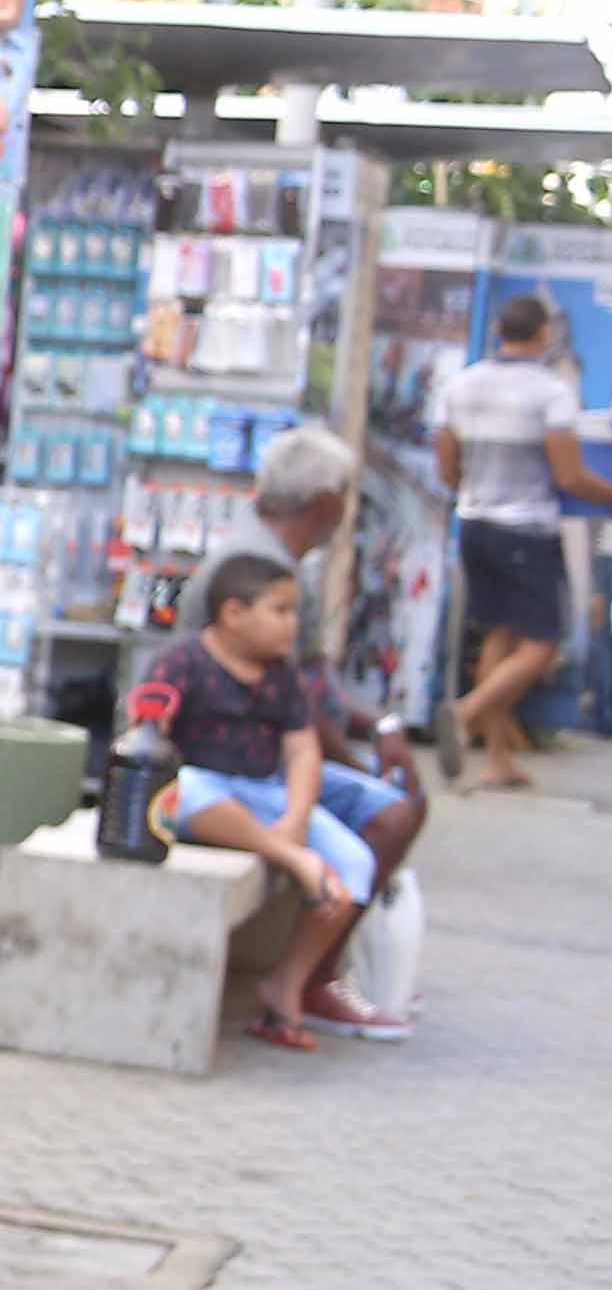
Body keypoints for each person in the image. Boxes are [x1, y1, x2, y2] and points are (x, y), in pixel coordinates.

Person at [199, 423, 420, 1037]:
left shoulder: (280, 562)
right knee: (393, 813)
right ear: (326, 503)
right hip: (237, 768)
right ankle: (313, 979)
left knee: (392, 803)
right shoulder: (254, 570)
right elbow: (296, 709)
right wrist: (353, 762)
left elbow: (313, 686)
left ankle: (316, 973)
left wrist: (382, 725)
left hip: (274, 761)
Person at [146, 551, 408, 1052]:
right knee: (190, 787)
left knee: (353, 865)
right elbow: (150, 732)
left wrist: (296, 817)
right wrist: (287, 849)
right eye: (281, 610)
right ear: (233, 614)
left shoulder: (282, 677)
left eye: (294, 610)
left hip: (264, 795)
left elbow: (302, 750)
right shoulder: (183, 661)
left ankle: (286, 985)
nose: (293, 624)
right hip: (202, 793)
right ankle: (290, 858)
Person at [431, 292, 612, 787]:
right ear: (544, 335)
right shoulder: (550, 392)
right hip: (527, 528)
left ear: (498, 333)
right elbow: (571, 475)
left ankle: (496, 761)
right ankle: (466, 714)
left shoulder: (461, 385)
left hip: (475, 522)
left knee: (499, 633)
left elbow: (446, 467)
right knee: (542, 644)